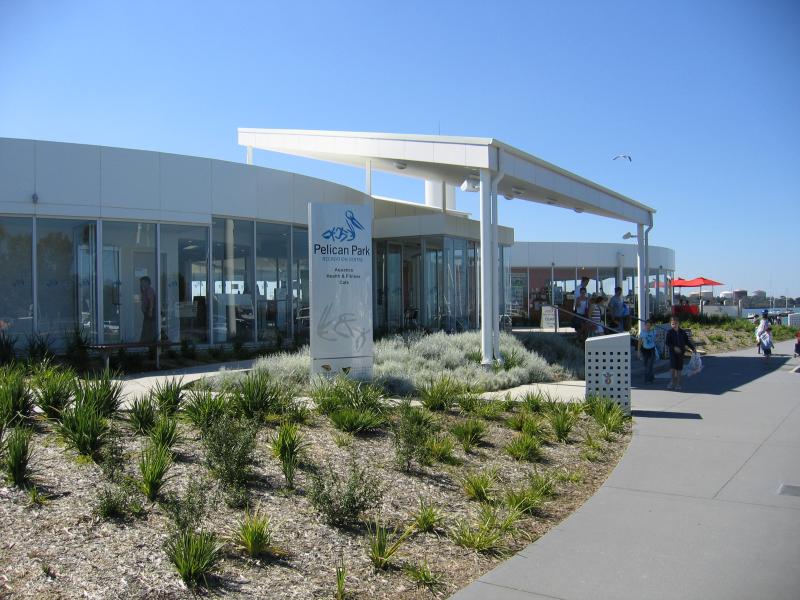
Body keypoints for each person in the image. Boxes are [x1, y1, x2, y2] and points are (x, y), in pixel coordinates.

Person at [665, 316, 696, 390]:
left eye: (675, 323)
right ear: (670, 324)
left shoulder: (682, 332)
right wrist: (674, 347)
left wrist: (693, 348)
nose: (674, 325)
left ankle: (678, 384)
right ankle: (672, 382)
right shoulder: (669, 332)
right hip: (673, 353)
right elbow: (667, 342)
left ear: (678, 323)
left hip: (681, 353)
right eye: (672, 324)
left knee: (679, 369)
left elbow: (687, 341)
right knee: (673, 368)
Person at [637, 318, 657, 384]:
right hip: (645, 350)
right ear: (645, 325)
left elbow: (655, 338)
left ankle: (648, 379)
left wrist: (652, 330)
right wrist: (638, 351)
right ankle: (651, 377)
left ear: (651, 326)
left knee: (650, 365)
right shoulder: (642, 332)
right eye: (647, 325)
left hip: (652, 349)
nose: (648, 327)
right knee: (646, 365)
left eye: (649, 325)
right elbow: (639, 342)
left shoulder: (654, 331)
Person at [139, 276, 157, 343]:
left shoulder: (149, 290)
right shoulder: (145, 290)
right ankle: (146, 341)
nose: (141, 283)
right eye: (141, 282)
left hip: (149, 312)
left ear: (147, 282)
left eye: (142, 282)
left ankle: (146, 342)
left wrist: (150, 311)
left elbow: (151, 300)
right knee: (147, 327)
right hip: (147, 312)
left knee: (148, 327)